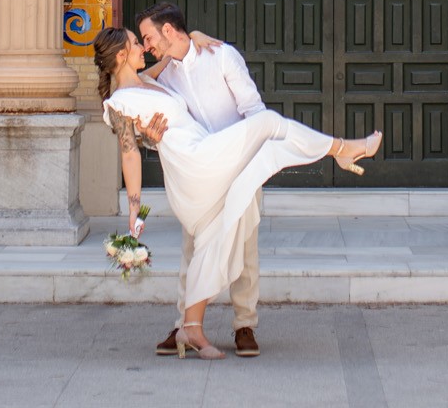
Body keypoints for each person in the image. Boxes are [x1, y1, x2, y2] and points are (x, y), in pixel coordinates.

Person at [95, 24, 378, 360]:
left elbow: (170, 56)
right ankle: (343, 149)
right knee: (268, 123)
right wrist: (134, 206)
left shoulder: (151, 80)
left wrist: (192, 37)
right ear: (123, 55)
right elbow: (129, 153)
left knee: (213, 243)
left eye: (146, 40)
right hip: (195, 165)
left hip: (210, 157)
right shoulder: (120, 102)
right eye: (135, 44)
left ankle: (192, 329)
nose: (144, 47)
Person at [136, 2, 266, 358]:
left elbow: (254, 110)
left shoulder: (222, 56)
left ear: (167, 30)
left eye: (148, 38)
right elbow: (148, 112)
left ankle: (245, 326)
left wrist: (253, 162)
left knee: (245, 249)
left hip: (240, 164)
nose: (146, 47)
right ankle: (185, 326)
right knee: (192, 251)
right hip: (199, 174)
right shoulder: (164, 76)